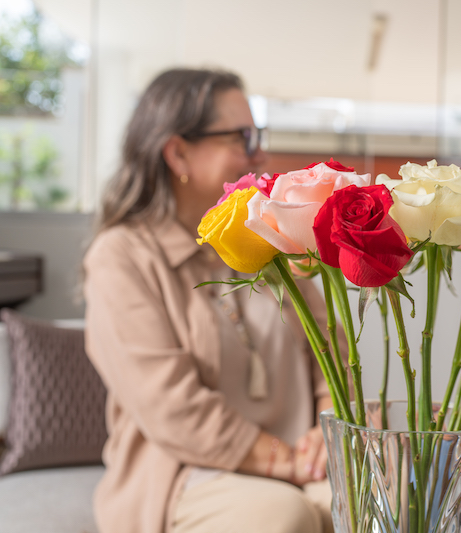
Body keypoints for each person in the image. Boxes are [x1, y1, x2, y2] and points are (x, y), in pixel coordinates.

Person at [83, 68, 335, 533]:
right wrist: (284, 462)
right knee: (281, 516)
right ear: (178, 152)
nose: (259, 152)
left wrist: (329, 427)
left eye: (257, 134)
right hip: (184, 474)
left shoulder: (270, 237)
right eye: (241, 137)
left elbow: (330, 353)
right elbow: (169, 407)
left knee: (389, 494)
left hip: (300, 461)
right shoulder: (121, 257)